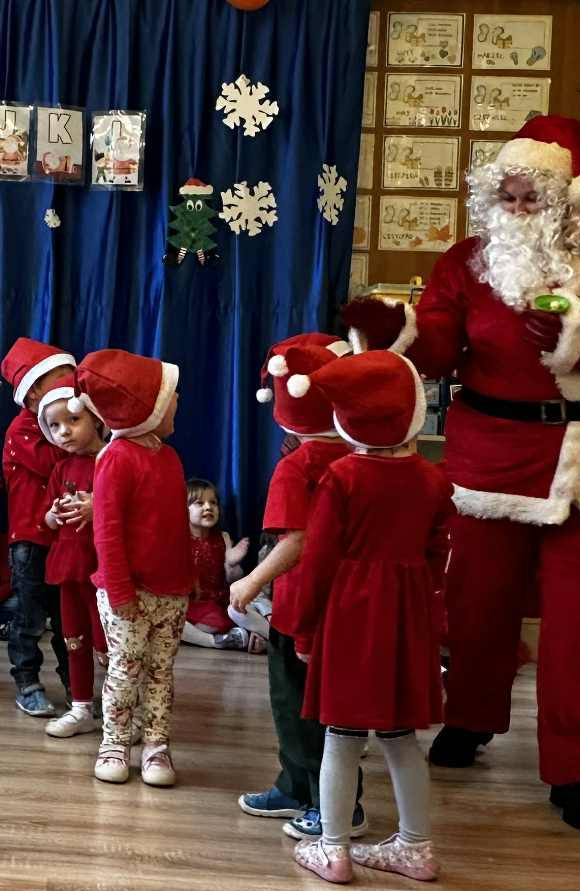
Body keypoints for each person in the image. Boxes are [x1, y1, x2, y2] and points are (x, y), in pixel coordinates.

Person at [345, 115, 580, 834]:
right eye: (505, 195)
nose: (516, 206)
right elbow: (441, 346)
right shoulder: (467, 261)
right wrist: (399, 334)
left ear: (574, 195)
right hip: (491, 455)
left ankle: (577, 769)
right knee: (477, 604)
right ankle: (471, 717)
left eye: (531, 194)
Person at [286, 351, 452, 885]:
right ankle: (416, 847)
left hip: (352, 618)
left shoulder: (341, 477)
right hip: (407, 619)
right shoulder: (432, 480)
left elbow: (318, 562)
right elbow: (437, 557)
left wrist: (305, 629)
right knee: (401, 738)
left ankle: (333, 848)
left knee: (342, 735)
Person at [230, 335, 365, 841]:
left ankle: (331, 805)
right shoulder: (358, 456)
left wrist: (251, 580)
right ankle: (295, 786)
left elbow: (297, 541)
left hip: (300, 606)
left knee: (300, 707)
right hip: (344, 602)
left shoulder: (297, 466)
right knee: (326, 706)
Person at [76, 348, 190, 786]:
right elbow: (106, 532)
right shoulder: (116, 458)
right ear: (148, 408)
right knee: (124, 670)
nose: (178, 401)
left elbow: (175, 526)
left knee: (161, 672)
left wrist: (189, 579)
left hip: (171, 592)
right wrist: (121, 592)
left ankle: (156, 745)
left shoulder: (169, 457)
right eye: (171, 396)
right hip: (128, 594)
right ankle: (115, 743)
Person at [0, 338, 77, 718]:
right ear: (33, 395)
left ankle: (76, 686)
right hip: (30, 541)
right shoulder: (23, 430)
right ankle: (27, 682)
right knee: (29, 618)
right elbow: (55, 461)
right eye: (61, 379)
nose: (71, 386)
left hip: (65, 540)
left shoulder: (71, 427)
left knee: (68, 619)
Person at [38, 385, 105, 740]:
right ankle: (81, 707)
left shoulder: (110, 460)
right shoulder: (60, 468)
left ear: (96, 419)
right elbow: (46, 522)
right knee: (73, 640)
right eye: (55, 425)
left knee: (108, 642)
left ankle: (122, 708)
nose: (64, 431)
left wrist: (97, 508)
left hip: (103, 571)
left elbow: (128, 511)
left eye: (73, 420)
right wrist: (53, 514)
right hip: (68, 568)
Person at [179, 478, 259, 651]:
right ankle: (215, 641)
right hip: (188, 604)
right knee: (172, 622)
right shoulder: (179, 539)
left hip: (215, 605)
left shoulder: (223, 537)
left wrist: (231, 564)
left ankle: (220, 637)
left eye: (213, 502)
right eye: (199, 503)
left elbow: (233, 579)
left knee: (217, 620)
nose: (208, 507)